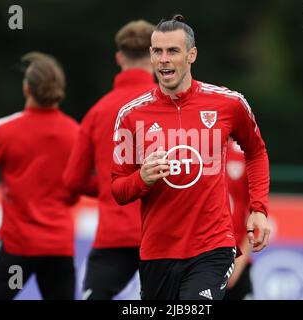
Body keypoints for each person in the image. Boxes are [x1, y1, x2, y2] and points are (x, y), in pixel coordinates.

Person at [111, 14, 270, 300]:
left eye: (173, 51)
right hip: (157, 251)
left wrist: (258, 208)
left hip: (212, 247)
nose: (164, 59)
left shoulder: (229, 104)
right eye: (157, 51)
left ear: (192, 55)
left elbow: (256, 151)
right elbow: (119, 190)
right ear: (150, 55)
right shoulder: (131, 115)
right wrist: (141, 178)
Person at [0, 52, 85, 300]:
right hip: (59, 245)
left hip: (17, 244)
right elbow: (77, 187)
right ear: (59, 90)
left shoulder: (5, 131)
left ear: (26, 88)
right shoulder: (76, 133)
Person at [63, 20, 156, 300]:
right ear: (154, 55)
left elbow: (73, 180)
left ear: (119, 57)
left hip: (113, 235)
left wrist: (108, 186)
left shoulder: (97, 111)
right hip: (160, 233)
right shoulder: (169, 105)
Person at [224, 140, 254, 300]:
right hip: (197, 259)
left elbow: (256, 215)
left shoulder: (244, 153)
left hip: (234, 256)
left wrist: (239, 263)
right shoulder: (190, 149)